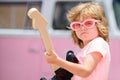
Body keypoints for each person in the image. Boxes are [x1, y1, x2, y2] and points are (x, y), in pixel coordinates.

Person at [45, 2, 111, 80]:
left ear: (99, 25)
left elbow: (86, 71)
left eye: (88, 23)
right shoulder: (86, 49)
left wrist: (57, 61)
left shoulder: (98, 43)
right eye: (77, 25)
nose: (82, 28)